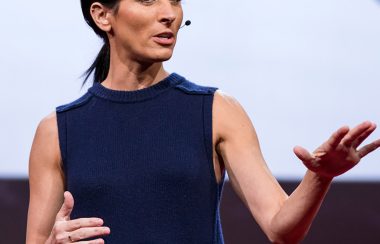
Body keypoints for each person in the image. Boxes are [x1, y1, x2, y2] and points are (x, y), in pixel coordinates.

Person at [26, 0, 380, 243]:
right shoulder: (57, 131)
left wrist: (320, 177)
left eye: (175, 0)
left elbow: (281, 229)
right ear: (103, 16)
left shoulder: (216, 110)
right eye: (149, 0)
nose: (169, 14)